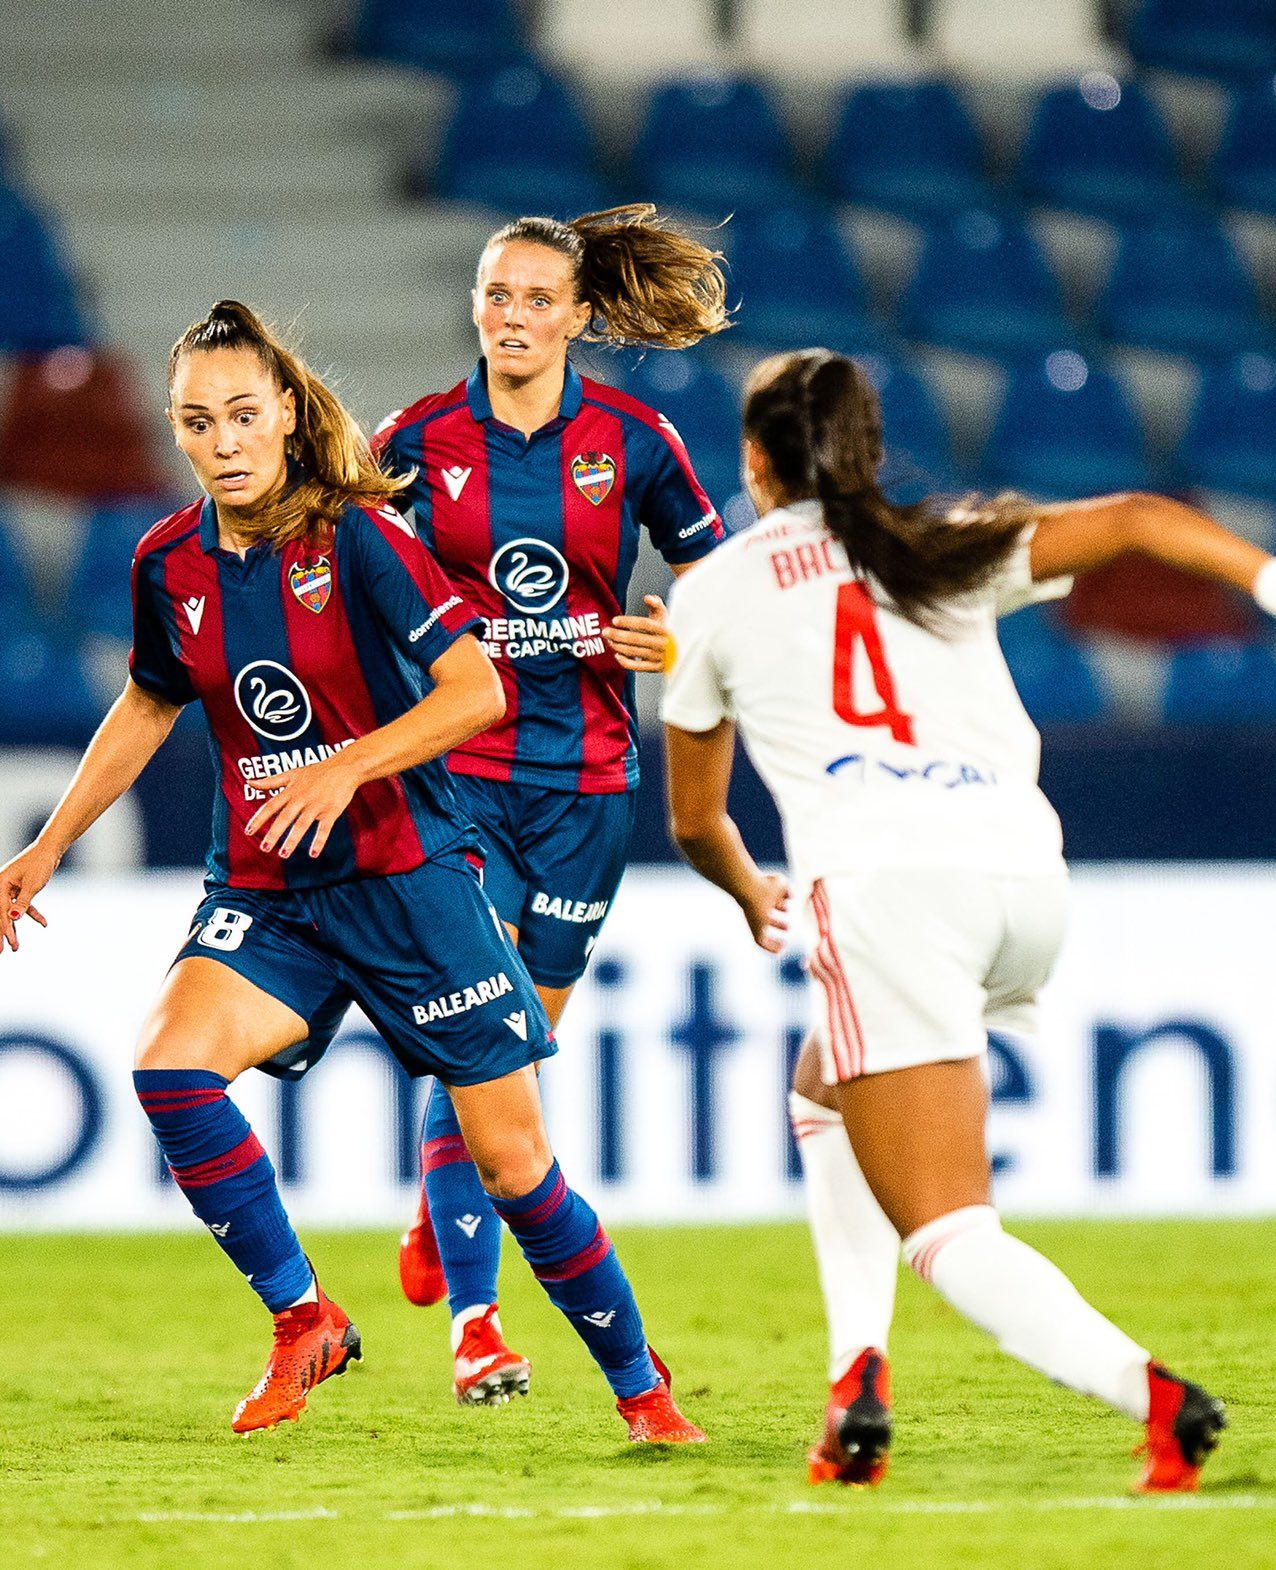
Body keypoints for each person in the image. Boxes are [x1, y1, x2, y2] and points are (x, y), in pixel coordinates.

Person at [659, 349, 1276, 1492]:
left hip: (887, 892)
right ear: (862, 449)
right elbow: (1142, 516)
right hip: (1021, 876)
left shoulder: (712, 590)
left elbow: (694, 820)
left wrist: (747, 884)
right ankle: (854, 1379)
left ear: (753, 461)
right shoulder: (936, 542)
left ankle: (1152, 1397)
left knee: (948, 1230)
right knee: (823, 1085)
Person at [0, 301, 704, 1444]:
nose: (222, 440)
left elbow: (477, 691)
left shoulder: (359, 537)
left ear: (282, 413)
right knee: (170, 1070)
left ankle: (642, 1391)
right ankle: (303, 1316)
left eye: (240, 414)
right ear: (175, 432)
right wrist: (50, 840)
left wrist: (347, 770)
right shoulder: (164, 562)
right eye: (195, 421)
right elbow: (150, 698)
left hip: (409, 881)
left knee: (515, 1165)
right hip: (268, 890)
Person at [373, 204, 729, 1404]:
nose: (511, 316)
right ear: (473, 303)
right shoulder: (416, 438)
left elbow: (711, 580)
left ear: (579, 315)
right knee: (481, 1038)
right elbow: (350, 579)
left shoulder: (632, 440)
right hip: (458, 774)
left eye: (536, 299)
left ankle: (443, 1218)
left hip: (585, 782)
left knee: (515, 1054)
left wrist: (671, 631)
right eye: (494, 294)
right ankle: (479, 1327)